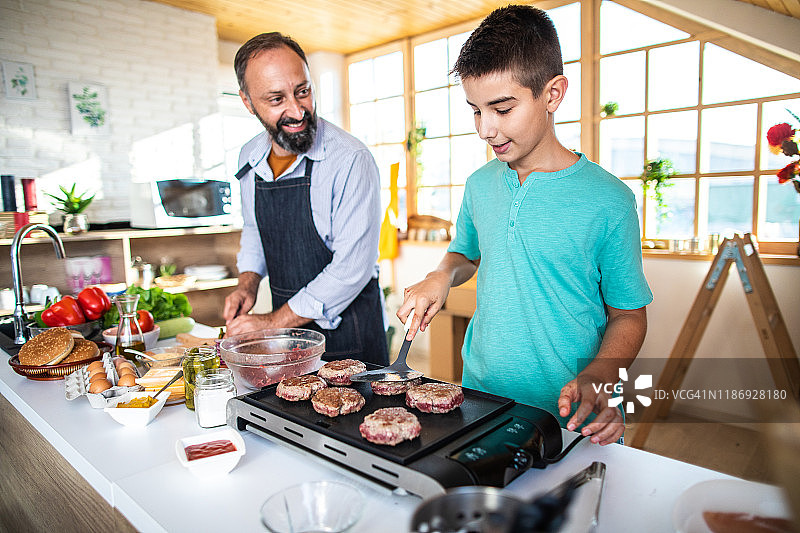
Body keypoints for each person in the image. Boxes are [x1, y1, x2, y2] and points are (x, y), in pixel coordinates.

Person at [398, 5, 652, 445]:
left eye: (502, 108)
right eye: (476, 111)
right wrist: (440, 275)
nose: (485, 129)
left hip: (571, 415)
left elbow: (629, 315)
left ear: (552, 94)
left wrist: (602, 373)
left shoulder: (609, 200)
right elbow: (465, 253)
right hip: (480, 398)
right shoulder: (480, 184)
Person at [224, 32, 389, 366]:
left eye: (303, 91)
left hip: (350, 339)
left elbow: (350, 270)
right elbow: (256, 230)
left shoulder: (350, 159)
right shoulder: (250, 157)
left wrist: (272, 323)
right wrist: (248, 283)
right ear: (248, 102)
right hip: (289, 340)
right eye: (276, 100)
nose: (297, 111)